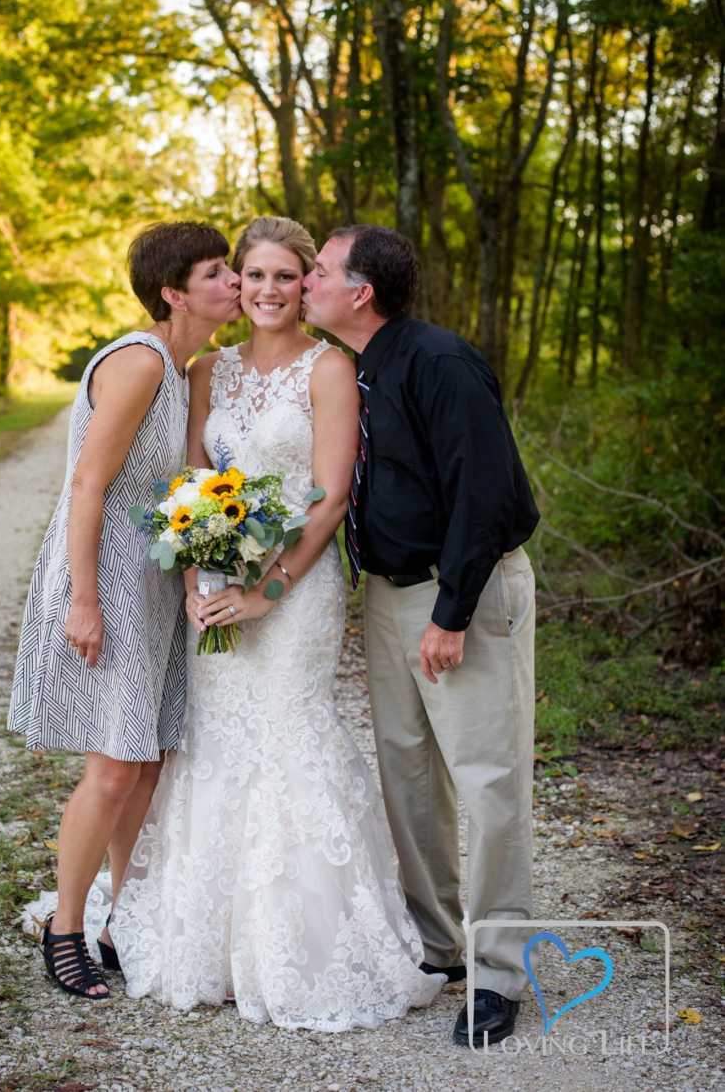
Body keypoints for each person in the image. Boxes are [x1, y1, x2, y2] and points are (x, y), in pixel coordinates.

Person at [101, 216, 444, 1030]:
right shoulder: (206, 371)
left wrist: (270, 589)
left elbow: (327, 496)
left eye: (285, 277)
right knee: (216, 739)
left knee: (288, 733)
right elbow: (189, 486)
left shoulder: (331, 369)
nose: (265, 291)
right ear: (236, 284)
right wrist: (196, 574)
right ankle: (207, 937)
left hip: (297, 592)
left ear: (306, 286)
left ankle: (305, 941)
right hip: (215, 586)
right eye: (251, 275)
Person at [301, 224, 540, 1047]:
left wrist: (452, 613)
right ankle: (438, 945)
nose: (304, 282)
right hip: (389, 594)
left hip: (458, 589)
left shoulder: (440, 363)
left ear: (360, 291)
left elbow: (486, 492)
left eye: (320, 271)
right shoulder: (352, 368)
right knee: (407, 771)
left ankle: (500, 970)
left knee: (487, 777)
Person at [8, 221, 241, 999]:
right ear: (174, 293)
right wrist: (82, 598)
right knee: (111, 767)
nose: (235, 282)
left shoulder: (185, 366)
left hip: (150, 580)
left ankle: (116, 919)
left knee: (144, 760)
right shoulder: (140, 362)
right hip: (103, 573)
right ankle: (65, 926)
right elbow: (87, 484)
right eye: (218, 273)